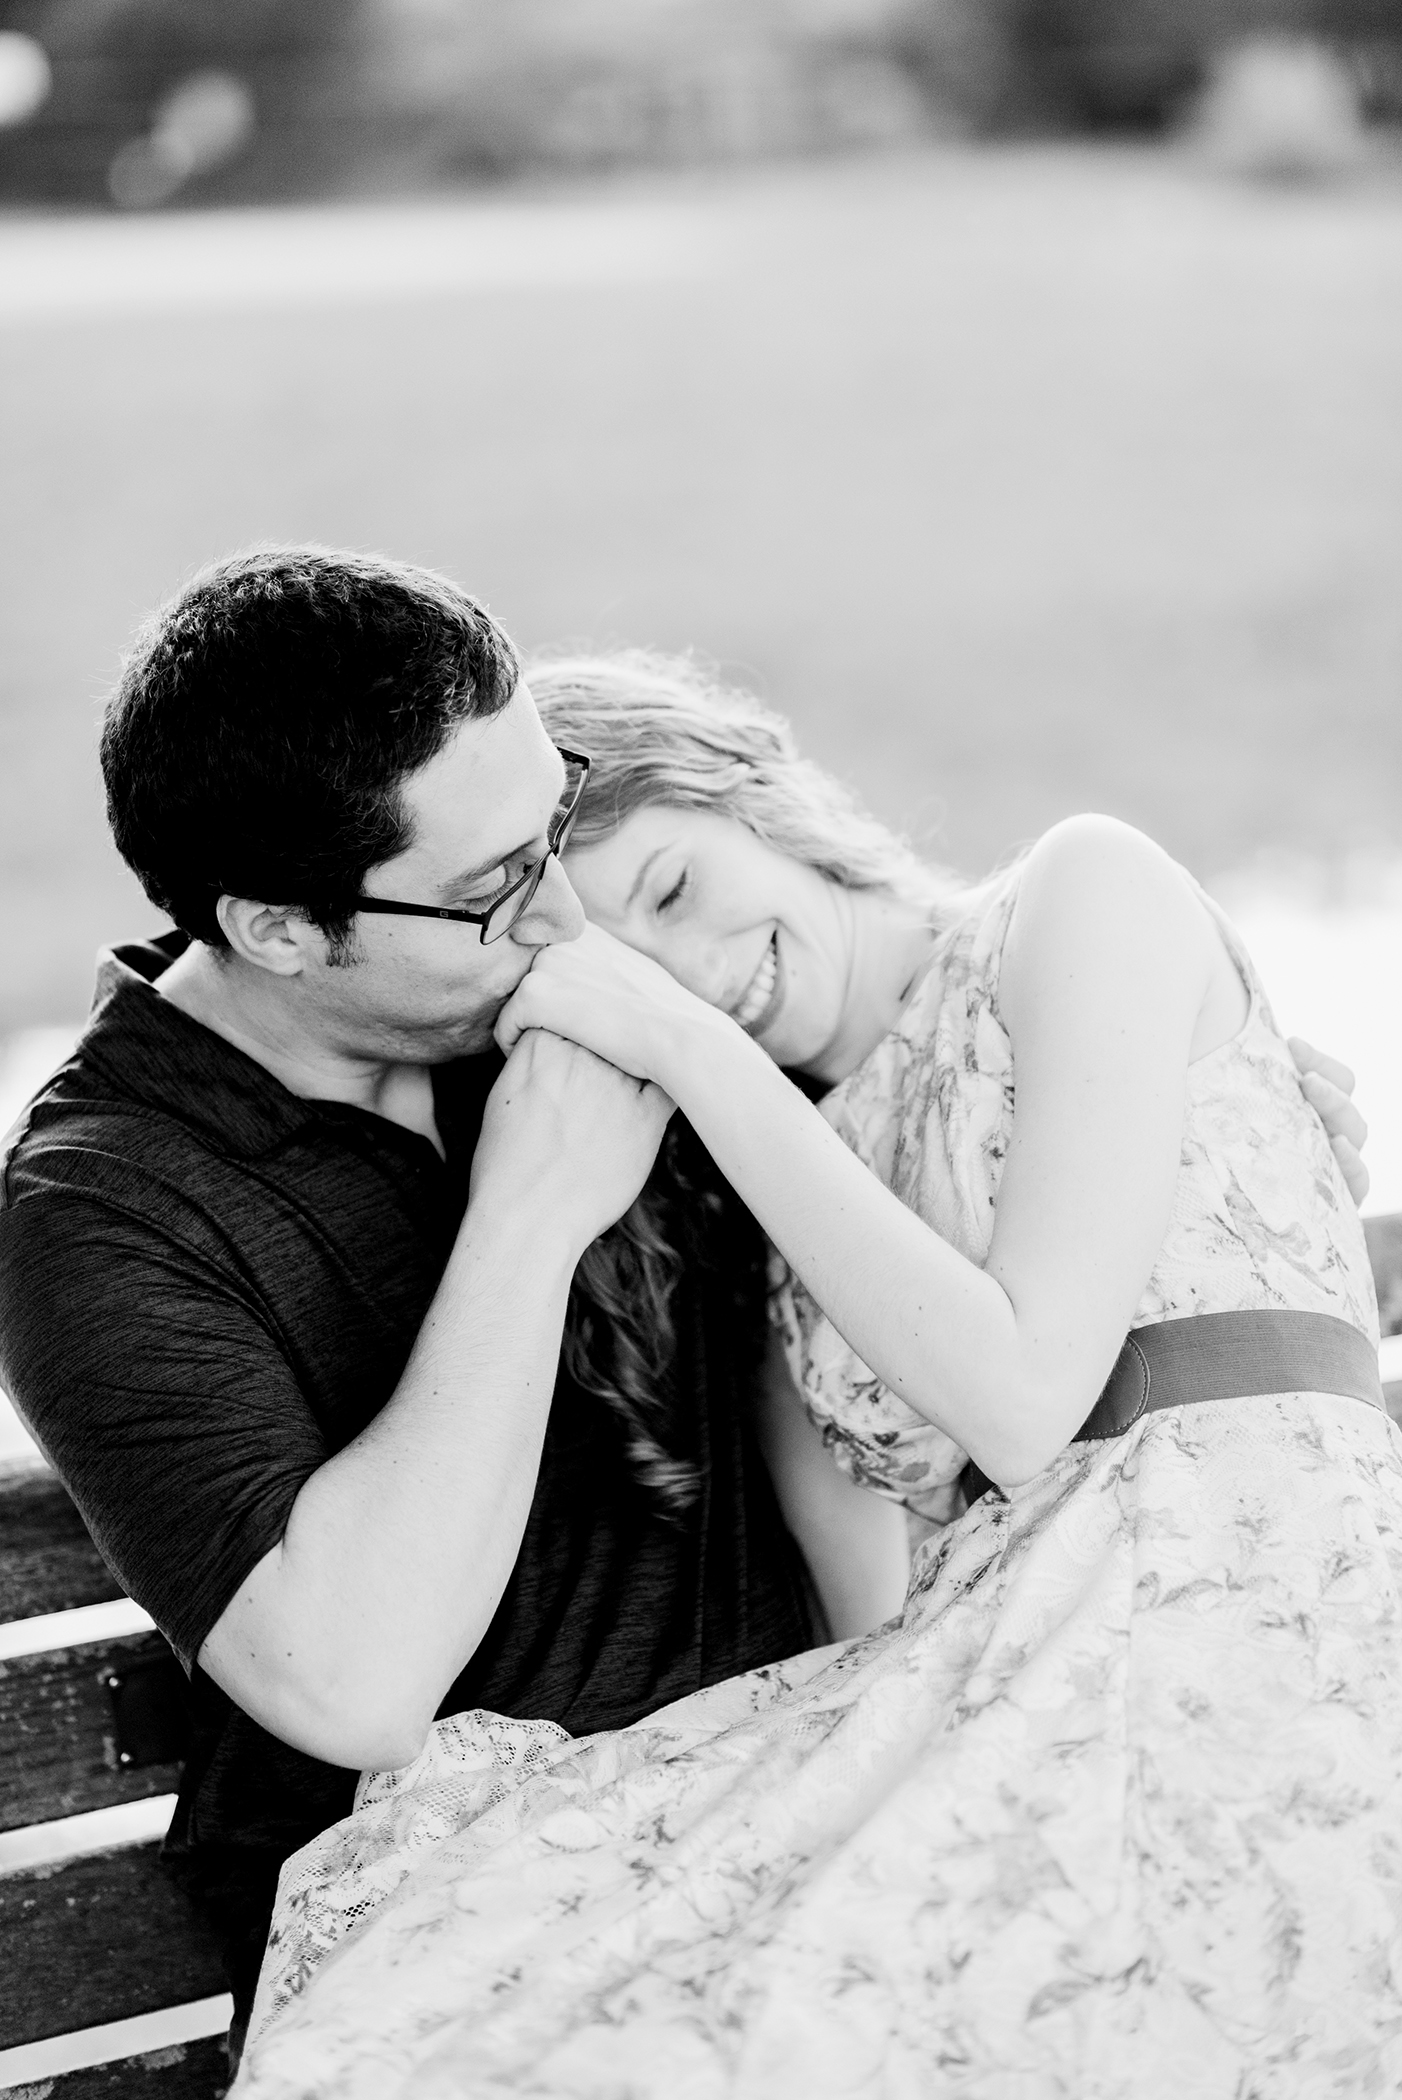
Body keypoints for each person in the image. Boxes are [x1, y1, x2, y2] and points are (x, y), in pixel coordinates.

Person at [232, 650, 1401, 2099]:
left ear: (744, 778)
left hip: (1258, 1619)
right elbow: (882, 1620)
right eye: (639, 988)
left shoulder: (1077, 898)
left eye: (668, 893)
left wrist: (688, 1059)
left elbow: (1027, 1395)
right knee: (549, 1969)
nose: (703, 982)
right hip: (1025, 1675)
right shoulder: (793, 1227)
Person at [0, 558, 906, 2064]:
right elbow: (347, 1682)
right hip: (486, 1970)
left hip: (811, 1855)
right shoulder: (105, 1214)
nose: (562, 912)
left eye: (553, 817)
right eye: (495, 887)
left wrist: (1213, 1099)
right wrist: (531, 1216)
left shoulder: (546, 960)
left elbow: (899, 995)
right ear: (278, 927)